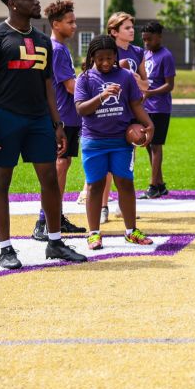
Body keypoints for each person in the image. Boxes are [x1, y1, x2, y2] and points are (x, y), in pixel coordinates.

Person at [0, 0, 87, 269]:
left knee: (49, 179)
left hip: (39, 119)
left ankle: (55, 241)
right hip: (6, 117)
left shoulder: (42, 40)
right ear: (13, 3)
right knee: (2, 181)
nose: (37, 2)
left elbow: (48, 85)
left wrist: (57, 123)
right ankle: (5, 248)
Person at [74, 35, 156, 250]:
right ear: (92, 57)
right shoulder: (85, 79)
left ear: (115, 56)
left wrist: (149, 124)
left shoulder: (126, 76)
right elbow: (81, 109)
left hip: (121, 140)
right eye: (100, 59)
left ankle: (130, 231)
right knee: (95, 185)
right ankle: (93, 233)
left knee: (125, 184)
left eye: (109, 58)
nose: (105, 63)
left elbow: (135, 104)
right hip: (94, 141)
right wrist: (102, 96)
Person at [32, 0, 88, 241]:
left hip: (67, 117)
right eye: (70, 22)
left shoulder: (58, 48)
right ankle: (45, 221)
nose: (74, 26)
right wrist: (99, 95)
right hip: (63, 118)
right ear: (56, 24)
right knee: (59, 167)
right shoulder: (58, 49)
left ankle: (56, 217)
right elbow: (70, 87)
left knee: (62, 167)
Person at [139, 21, 176, 199]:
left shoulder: (165, 56)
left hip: (160, 108)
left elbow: (170, 85)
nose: (146, 43)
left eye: (150, 39)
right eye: (144, 39)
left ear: (159, 37)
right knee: (147, 145)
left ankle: (153, 186)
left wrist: (150, 92)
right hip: (146, 107)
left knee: (156, 146)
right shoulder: (145, 54)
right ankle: (160, 184)